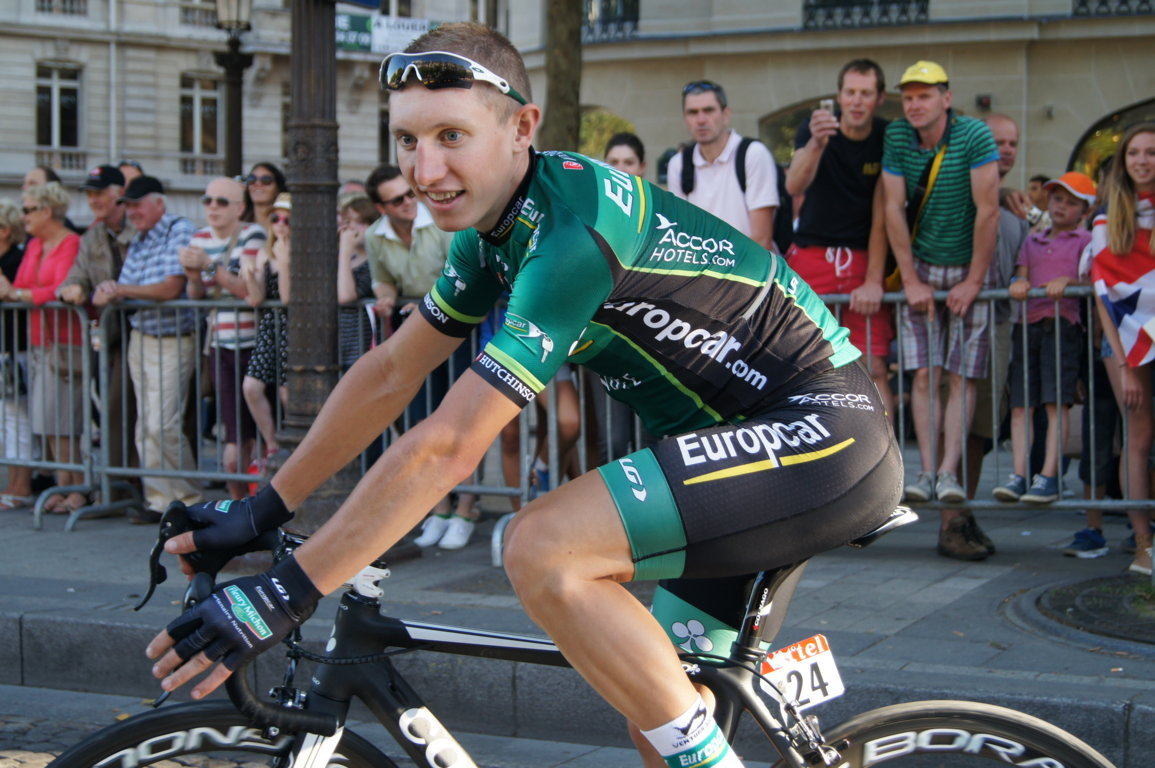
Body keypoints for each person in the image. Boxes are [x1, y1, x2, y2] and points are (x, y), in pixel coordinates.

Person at [148, 24, 902, 768]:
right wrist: (263, 508)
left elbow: (449, 444)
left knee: (541, 546)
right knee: (658, 712)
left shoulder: (571, 229)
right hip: (734, 457)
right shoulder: (487, 233)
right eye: (407, 140)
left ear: (522, 128)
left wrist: (289, 590)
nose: (424, 166)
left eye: (450, 135)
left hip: (820, 436)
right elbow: (388, 374)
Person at [881, 60, 999, 560]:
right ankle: (927, 473)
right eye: (909, 95)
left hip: (968, 266)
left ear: (946, 98)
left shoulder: (974, 135)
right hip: (924, 267)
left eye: (925, 95)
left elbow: (988, 207)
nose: (914, 103)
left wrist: (975, 279)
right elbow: (892, 207)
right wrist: (909, 278)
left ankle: (949, 470)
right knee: (925, 375)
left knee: (962, 375)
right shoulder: (898, 138)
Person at [784, 58, 894, 417]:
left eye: (865, 93)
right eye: (850, 92)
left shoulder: (886, 136)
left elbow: (885, 213)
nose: (857, 101)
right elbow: (793, 185)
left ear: (879, 98)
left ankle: (886, 462)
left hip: (865, 259)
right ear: (839, 96)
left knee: (874, 368)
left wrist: (875, 278)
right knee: (802, 366)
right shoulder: (815, 129)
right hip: (813, 254)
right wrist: (816, 142)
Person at [93, 175, 201, 523]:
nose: (132, 212)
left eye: (137, 205)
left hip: (173, 337)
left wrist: (121, 290)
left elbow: (170, 288)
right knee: (147, 425)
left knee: (163, 424)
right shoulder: (140, 238)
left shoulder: (179, 230)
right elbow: (130, 286)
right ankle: (160, 501)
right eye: (128, 205)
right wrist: (116, 290)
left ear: (159, 203)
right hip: (143, 337)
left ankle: (186, 498)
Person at [956, 114, 1032, 556]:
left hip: (1002, 325)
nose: (1005, 149)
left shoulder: (1017, 209)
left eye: (1012, 143)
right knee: (962, 426)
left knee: (983, 430)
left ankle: (963, 513)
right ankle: (953, 520)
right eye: (997, 141)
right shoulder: (961, 197)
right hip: (963, 322)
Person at [996, 172, 1095, 506]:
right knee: (1021, 404)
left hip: (1062, 324)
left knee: (1055, 403)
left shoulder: (1085, 240)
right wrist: (1018, 283)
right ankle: (1019, 475)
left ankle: (1049, 475)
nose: (1061, 206)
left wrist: (1069, 281)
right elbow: (1021, 274)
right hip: (1028, 325)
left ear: (1083, 210)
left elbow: (1088, 278)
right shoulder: (1032, 240)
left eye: (1070, 202)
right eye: (1057, 199)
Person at [1086, 122, 1155, 576]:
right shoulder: (1108, 218)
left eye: (1151, 152)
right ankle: (1144, 544)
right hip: (1125, 347)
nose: (1143, 160)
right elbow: (1104, 297)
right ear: (1123, 161)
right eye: (1135, 153)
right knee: (1138, 438)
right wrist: (1127, 366)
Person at [58, 165, 140, 500]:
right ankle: (121, 483)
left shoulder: (139, 226)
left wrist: (119, 289)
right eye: (89, 194)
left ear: (117, 193)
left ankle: (138, 484)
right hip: (112, 334)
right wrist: (73, 289)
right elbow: (75, 277)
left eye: (98, 193)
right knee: (113, 403)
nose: (92, 200)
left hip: (147, 327)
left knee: (144, 409)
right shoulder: (92, 235)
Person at [181, 177, 266, 499]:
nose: (212, 207)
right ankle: (238, 504)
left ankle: (252, 504)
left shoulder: (252, 234)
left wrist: (209, 266)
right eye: (207, 201)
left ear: (240, 207)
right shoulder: (199, 237)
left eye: (221, 201)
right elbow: (195, 296)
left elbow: (249, 292)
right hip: (220, 344)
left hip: (254, 342)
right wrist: (192, 276)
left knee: (253, 431)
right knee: (232, 432)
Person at [5, 183, 86, 514]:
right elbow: (22, 285)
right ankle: (63, 485)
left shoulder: (70, 243)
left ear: (47, 210)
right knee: (48, 421)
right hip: (40, 339)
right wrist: (21, 293)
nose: (22, 216)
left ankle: (76, 489)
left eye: (27, 209)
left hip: (67, 342)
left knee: (63, 421)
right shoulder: (35, 245)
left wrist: (22, 295)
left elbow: (59, 288)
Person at [665, 81, 779, 251]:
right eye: (692, 112)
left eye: (708, 110)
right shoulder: (678, 164)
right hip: (703, 271)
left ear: (726, 114)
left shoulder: (753, 154)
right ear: (685, 118)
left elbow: (762, 239)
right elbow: (680, 233)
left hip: (752, 271)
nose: (701, 120)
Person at [241, 193, 291, 464]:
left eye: (287, 219)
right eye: (275, 218)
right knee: (251, 387)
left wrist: (283, 262)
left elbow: (286, 297)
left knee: (287, 393)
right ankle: (272, 444)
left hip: (295, 327)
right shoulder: (265, 251)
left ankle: (296, 449)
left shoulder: (299, 253)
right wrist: (249, 272)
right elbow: (257, 297)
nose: (280, 224)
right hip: (271, 327)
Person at [0, 199, 33, 509]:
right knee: (6, 420)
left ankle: (20, 485)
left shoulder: (14, 260)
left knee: (16, 418)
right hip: (6, 349)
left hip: (16, 350)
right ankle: (14, 482)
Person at [241, 162, 286, 232]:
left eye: (266, 180)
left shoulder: (284, 224)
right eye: (252, 179)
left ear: (278, 189)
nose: (257, 183)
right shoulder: (239, 222)